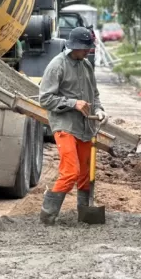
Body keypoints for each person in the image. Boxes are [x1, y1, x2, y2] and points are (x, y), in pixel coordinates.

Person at [38, 27, 106, 225]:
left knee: (85, 174)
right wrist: (73, 103)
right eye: (85, 48)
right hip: (64, 126)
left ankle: (84, 215)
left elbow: (95, 94)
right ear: (74, 47)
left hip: (85, 128)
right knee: (71, 172)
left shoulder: (86, 66)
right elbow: (45, 99)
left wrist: (100, 109)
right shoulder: (57, 65)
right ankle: (47, 215)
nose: (88, 52)